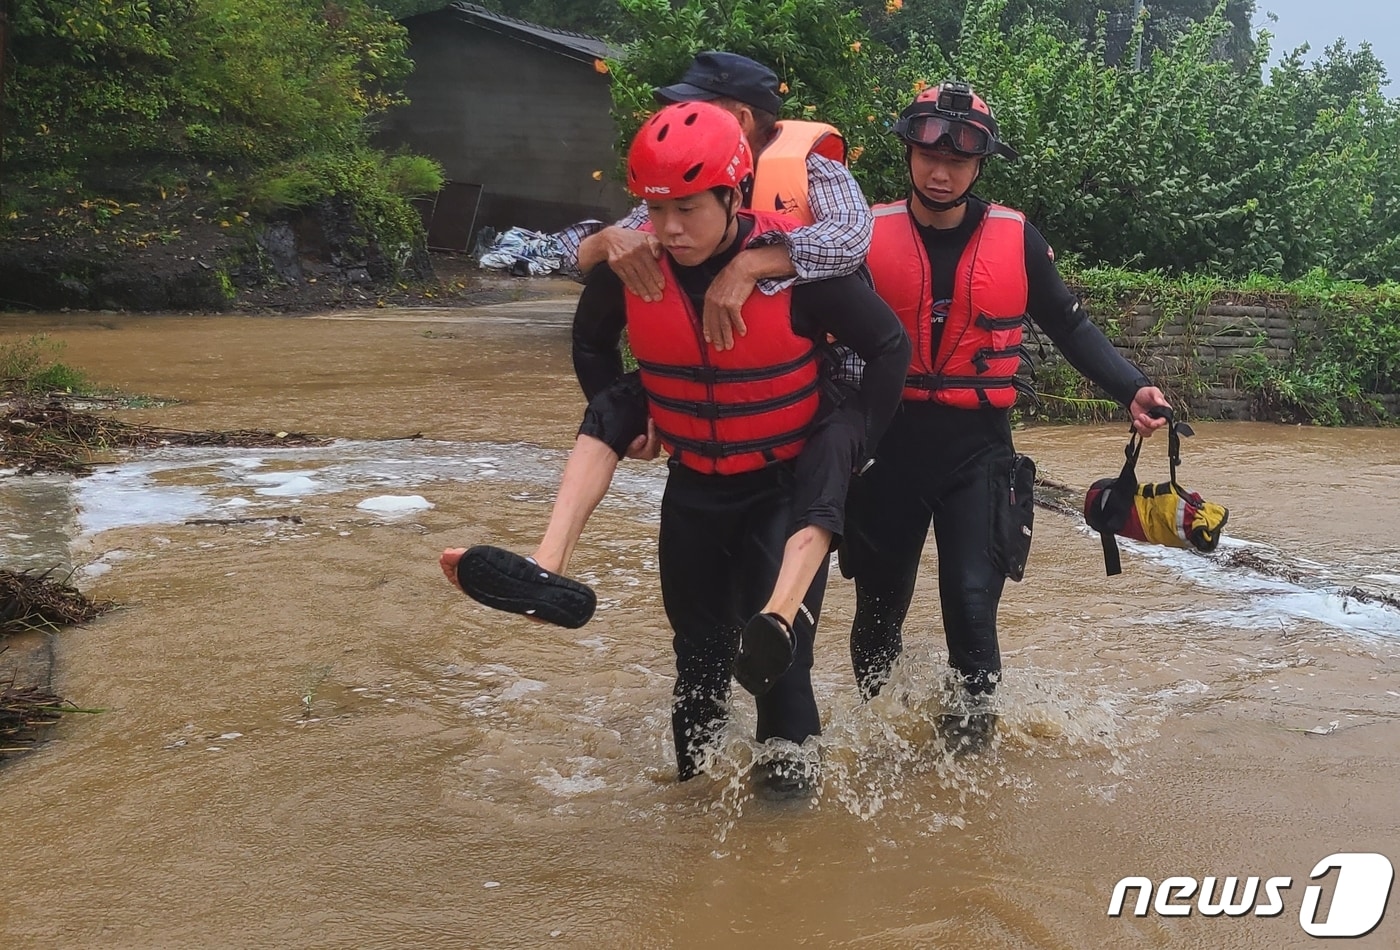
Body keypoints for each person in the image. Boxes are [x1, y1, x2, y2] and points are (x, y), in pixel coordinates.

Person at [453, 102, 907, 797]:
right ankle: (692, 806)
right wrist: (632, 415)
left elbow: (888, 346)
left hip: (784, 485)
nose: (667, 228)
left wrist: (854, 440)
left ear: (731, 195)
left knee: (778, 665)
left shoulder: (792, 267)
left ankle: (786, 837)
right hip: (695, 488)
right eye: (654, 208)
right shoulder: (633, 264)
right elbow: (590, 341)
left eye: (687, 209)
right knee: (696, 661)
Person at [839, 82, 1172, 749]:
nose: (941, 172)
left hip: (977, 454)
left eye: (959, 161)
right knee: (879, 612)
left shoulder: (1015, 240)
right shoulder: (861, 235)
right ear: (907, 153)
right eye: (929, 155)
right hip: (884, 452)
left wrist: (1131, 387)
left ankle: (970, 769)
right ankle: (879, 736)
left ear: (980, 164)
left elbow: (1072, 327)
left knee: (970, 606)